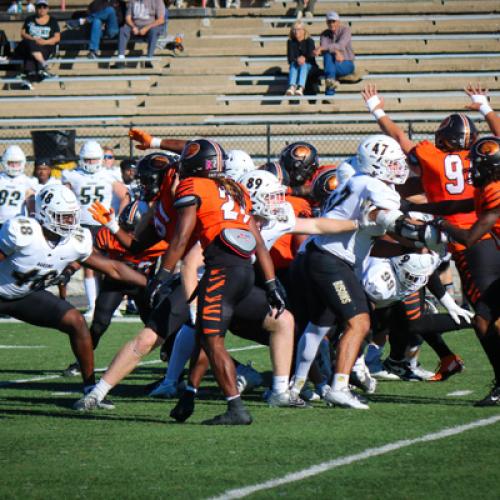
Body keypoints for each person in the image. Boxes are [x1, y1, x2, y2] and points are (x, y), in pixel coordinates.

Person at [0, 184, 147, 405]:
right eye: (63, 216)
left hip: (25, 296)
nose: (69, 222)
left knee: (76, 321)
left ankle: (90, 388)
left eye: (72, 216)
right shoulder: (22, 232)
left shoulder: (75, 240)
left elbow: (113, 268)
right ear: (44, 213)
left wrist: (151, 283)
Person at [62, 140, 129, 318]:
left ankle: (111, 306)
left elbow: (125, 196)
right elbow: (62, 197)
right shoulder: (73, 176)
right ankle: (92, 306)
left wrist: (119, 219)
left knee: (109, 266)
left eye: (94, 159)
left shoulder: (108, 175)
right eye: (88, 159)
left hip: (103, 225)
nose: (91, 163)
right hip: (82, 226)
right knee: (89, 266)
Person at [13, 0, 60, 81]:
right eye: (39, 7)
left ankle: (28, 76)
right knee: (30, 43)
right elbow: (23, 34)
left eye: (44, 7)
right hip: (31, 45)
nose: (42, 9)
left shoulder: (53, 21)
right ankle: (43, 64)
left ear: (48, 9)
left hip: (45, 46)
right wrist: (34, 39)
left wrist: (45, 42)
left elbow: (57, 38)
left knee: (30, 52)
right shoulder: (29, 19)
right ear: (35, 8)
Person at [314, 11, 355, 96]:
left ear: (338, 22)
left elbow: (341, 45)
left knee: (328, 67)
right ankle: (329, 93)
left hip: (346, 63)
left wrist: (322, 48)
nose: (332, 24)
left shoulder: (345, 30)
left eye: (334, 21)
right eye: (329, 22)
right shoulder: (324, 34)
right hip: (332, 63)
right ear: (326, 23)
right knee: (327, 55)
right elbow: (326, 49)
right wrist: (336, 51)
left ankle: (329, 94)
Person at [115, 0, 166, 68]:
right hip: (135, 26)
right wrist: (133, 27)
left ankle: (149, 59)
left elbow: (161, 20)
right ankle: (121, 58)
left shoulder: (157, 1)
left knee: (154, 31)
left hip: (149, 26)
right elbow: (128, 18)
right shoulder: (132, 1)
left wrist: (146, 28)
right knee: (123, 30)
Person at [0, 145, 37, 228]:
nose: (14, 166)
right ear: (5, 162)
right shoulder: (1, 179)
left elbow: (31, 204)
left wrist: (32, 219)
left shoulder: (28, 181)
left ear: (22, 162)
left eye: (17, 163)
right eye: (11, 163)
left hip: (18, 222)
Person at [286, 21, 316, 97]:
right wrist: (297, 60)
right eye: (294, 29)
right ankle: (292, 86)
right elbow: (290, 58)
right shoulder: (290, 42)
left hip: (309, 66)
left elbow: (311, 56)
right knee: (293, 64)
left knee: (304, 65)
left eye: (299, 29)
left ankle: (301, 87)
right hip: (295, 66)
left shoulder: (310, 41)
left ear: (304, 30)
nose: (296, 31)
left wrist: (304, 58)